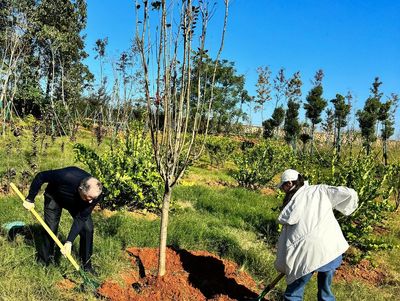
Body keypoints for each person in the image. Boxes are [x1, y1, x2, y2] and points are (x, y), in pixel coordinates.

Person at [274, 169, 358, 301]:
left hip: (306, 252)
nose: (282, 190)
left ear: (290, 183)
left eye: (283, 186)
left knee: (293, 293)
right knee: (326, 291)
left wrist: (285, 264)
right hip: (330, 248)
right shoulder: (319, 190)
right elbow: (349, 193)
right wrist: (341, 208)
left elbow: (288, 237)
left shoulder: (292, 202)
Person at [23, 166, 103, 274]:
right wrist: (30, 198)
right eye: (89, 198)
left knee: (87, 229)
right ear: (80, 189)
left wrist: (69, 242)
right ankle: (44, 262)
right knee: (50, 229)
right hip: (54, 197)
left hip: (77, 203)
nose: (91, 202)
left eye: (93, 199)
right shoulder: (65, 176)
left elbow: (81, 218)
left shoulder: (95, 193)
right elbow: (40, 176)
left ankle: (87, 266)